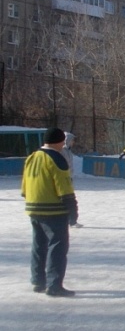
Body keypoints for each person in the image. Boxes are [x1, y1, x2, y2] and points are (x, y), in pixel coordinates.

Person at [21, 127, 79, 297]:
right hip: (53, 210)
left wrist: (31, 199)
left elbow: (24, 186)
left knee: (39, 245)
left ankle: (38, 281)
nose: (64, 144)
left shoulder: (32, 157)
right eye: (63, 141)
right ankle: (54, 284)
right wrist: (72, 210)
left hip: (33, 207)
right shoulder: (57, 158)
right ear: (59, 141)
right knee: (58, 246)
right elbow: (64, 186)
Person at [60, 132, 83, 228]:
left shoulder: (68, 151)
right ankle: (70, 221)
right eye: (72, 140)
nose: (73, 142)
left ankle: (72, 220)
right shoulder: (61, 151)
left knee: (70, 201)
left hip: (68, 178)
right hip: (62, 179)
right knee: (69, 201)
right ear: (67, 140)